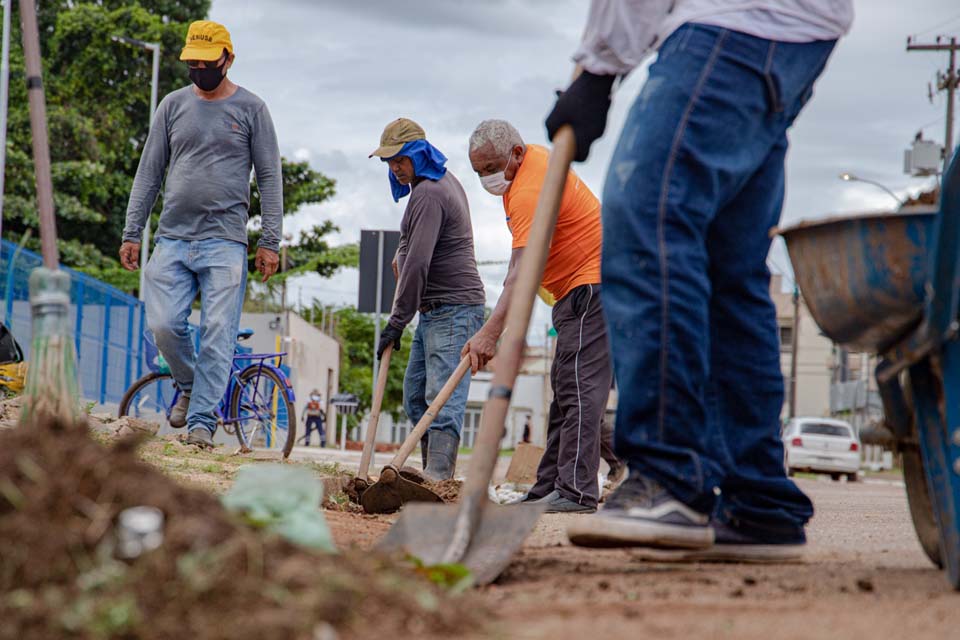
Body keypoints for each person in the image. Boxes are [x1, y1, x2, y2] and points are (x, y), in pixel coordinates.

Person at [547, 0, 852, 559]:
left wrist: (598, 68)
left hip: (732, 25)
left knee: (647, 219)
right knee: (726, 268)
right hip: (798, 34)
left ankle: (669, 477)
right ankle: (757, 504)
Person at [120, 20, 282, 448]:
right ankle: (190, 385)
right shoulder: (172, 106)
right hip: (172, 238)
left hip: (226, 242)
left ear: (228, 59)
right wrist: (132, 231)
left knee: (217, 332)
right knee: (163, 324)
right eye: (192, 63)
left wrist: (270, 241)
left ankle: (201, 425)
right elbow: (149, 173)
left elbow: (269, 178)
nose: (199, 70)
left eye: (207, 63)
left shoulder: (252, 109)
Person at [464, 119, 612, 513]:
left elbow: (520, 274)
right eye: (478, 171)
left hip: (593, 287)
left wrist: (489, 334)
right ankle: (549, 487)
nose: (487, 179)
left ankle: (577, 492)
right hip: (576, 291)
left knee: (579, 390)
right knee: (565, 390)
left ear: (516, 153)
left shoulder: (531, 187)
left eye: (491, 168)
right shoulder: (527, 172)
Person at [369, 118, 485, 481]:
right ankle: (427, 473)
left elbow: (418, 264)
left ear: (419, 154)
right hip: (433, 310)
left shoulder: (430, 193)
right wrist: (401, 255)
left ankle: (438, 473)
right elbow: (410, 251)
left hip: (454, 308)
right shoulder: (429, 187)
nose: (395, 167)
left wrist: (396, 323)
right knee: (416, 395)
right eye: (389, 161)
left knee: (441, 396)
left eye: (400, 159)